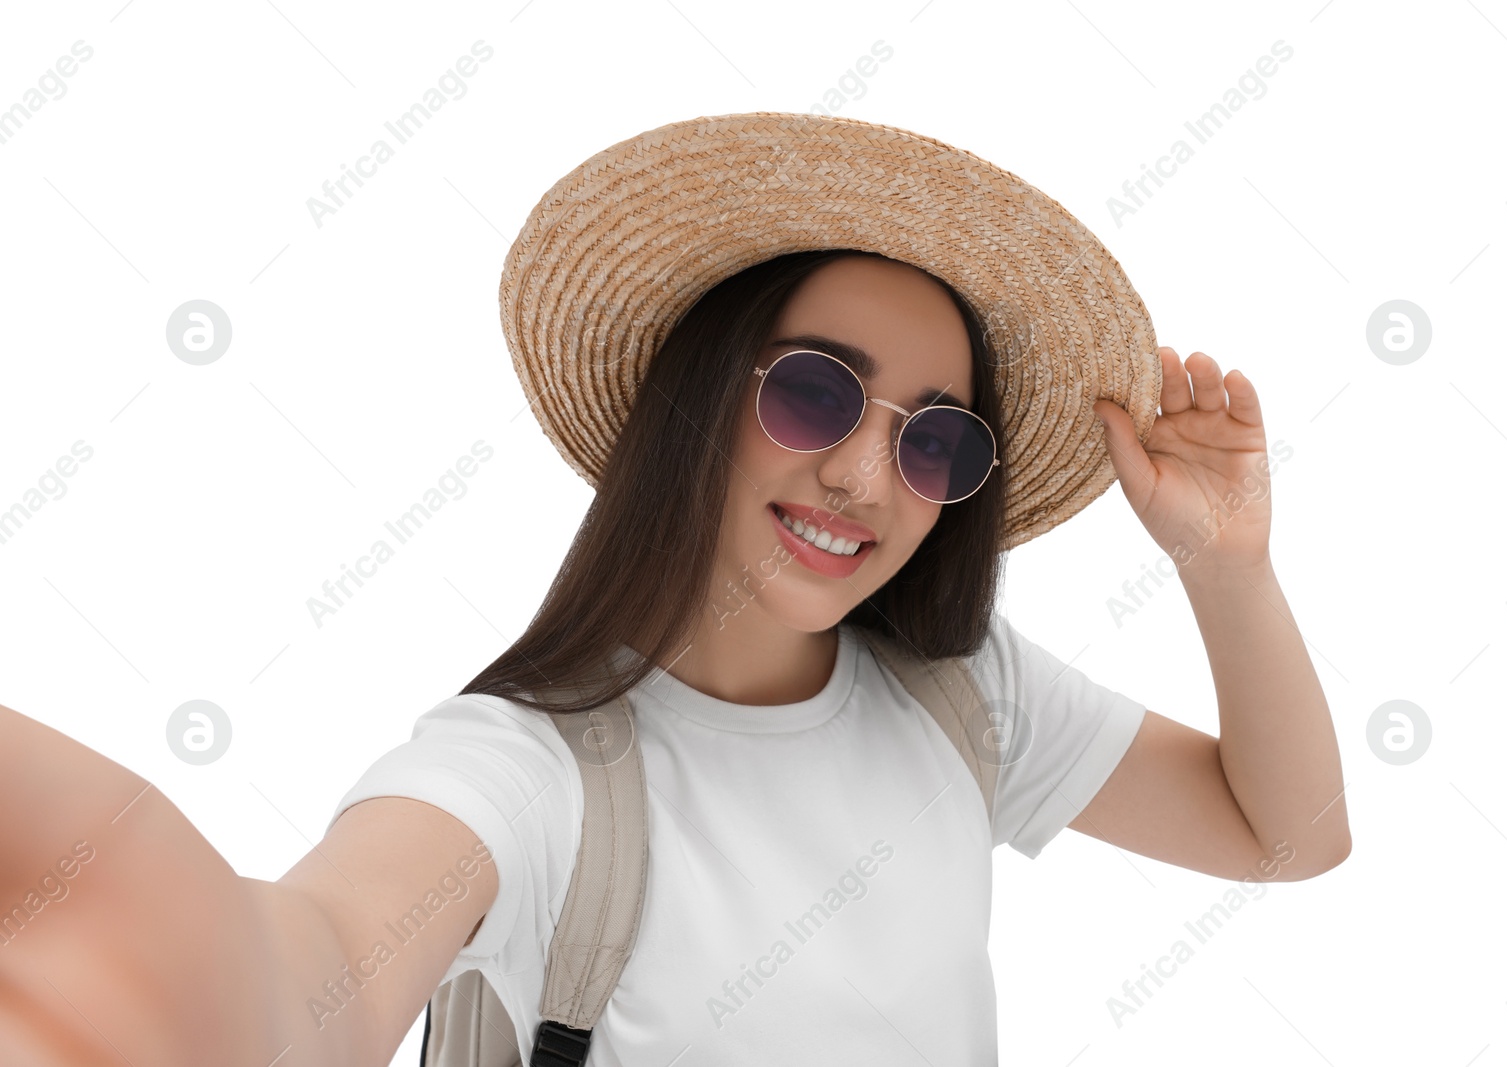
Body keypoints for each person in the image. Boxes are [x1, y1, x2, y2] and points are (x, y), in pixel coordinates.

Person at [0, 114, 1350, 1067]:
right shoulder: (525, 771)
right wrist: (173, 965)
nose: (869, 480)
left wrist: (1224, 570)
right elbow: (321, 963)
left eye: (934, 439)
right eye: (816, 391)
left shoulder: (966, 693)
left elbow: (1290, 835)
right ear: (695, 401)